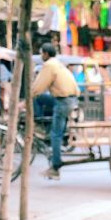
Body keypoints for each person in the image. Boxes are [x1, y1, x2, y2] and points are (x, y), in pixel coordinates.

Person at [32, 43, 79, 180]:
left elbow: (39, 86)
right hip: (69, 99)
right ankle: (41, 122)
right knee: (39, 99)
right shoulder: (58, 63)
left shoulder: (49, 65)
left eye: (42, 53)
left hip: (63, 101)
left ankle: (55, 166)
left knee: (55, 135)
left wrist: (27, 98)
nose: (41, 56)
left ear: (46, 53)